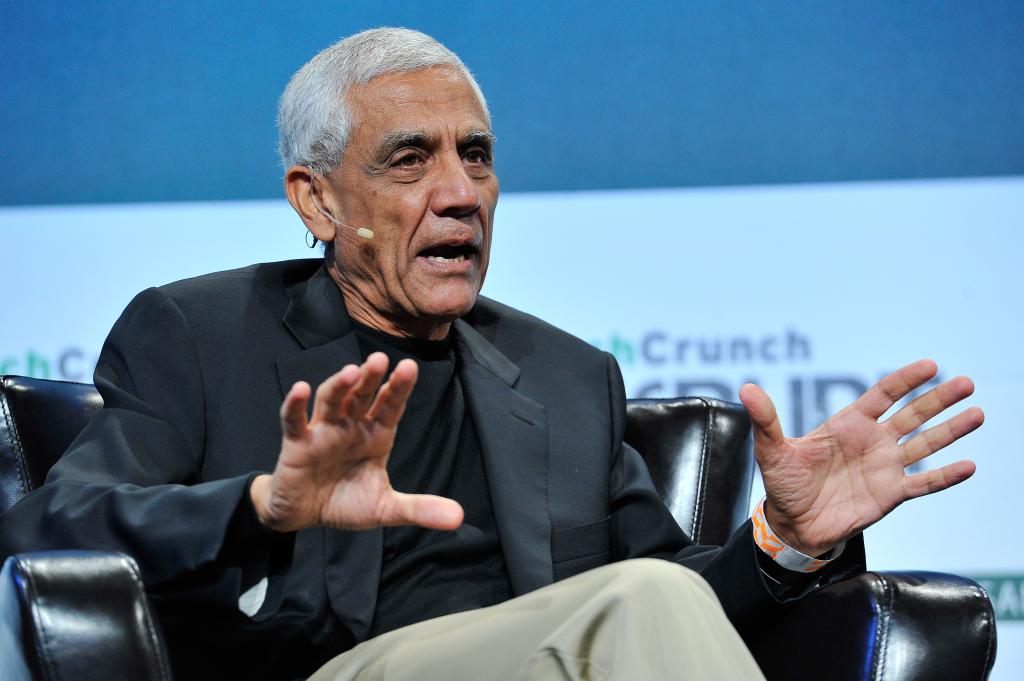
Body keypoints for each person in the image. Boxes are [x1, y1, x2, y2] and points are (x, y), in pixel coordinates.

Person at [0, 28, 983, 681]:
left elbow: (669, 616)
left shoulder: (562, 377)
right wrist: (263, 509)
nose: (462, 190)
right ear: (316, 200)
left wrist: (785, 540)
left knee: (646, 595)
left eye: (476, 154)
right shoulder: (199, 333)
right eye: (409, 157)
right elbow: (52, 526)